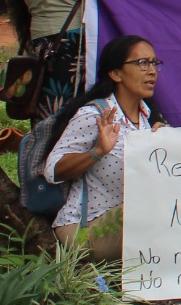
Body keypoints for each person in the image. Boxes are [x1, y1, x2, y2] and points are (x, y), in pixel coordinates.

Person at [41, 34, 167, 260]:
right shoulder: (95, 116)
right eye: (142, 63)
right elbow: (52, 170)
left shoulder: (149, 119)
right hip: (86, 229)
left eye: (154, 63)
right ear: (115, 73)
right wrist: (96, 152)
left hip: (130, 221)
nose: (152, 71)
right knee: (155, 212)